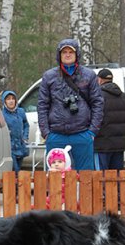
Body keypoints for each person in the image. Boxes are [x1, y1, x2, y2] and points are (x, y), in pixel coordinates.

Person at [37, 38, 104, 171]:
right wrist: (46, 133)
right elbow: (42, 105)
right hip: (56, 135)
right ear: (59, 55)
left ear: (77, 54)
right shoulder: (49, 76)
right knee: (55, 177)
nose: (67, 55)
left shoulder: (89, 75)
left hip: (82, 133)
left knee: (85, 177)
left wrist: (92, 131)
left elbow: (98, 103)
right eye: (64, 52)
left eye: (70, 52)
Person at [94, 68, 125, 171]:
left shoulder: (97, 96)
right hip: (119, 144)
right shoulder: (124, 97)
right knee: (116, 178)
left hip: (101, 144)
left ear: (99, 80)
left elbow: (93, 120)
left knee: (101, 176)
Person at [1, 89, 29, 171]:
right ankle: (14, 183)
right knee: (14, 169)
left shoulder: (21, 112)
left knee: (19, 168)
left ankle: (17, 183)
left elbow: (26, 125)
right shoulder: (2, 114)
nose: (11, 101)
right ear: (4, 101)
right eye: (8, 99)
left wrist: (25, 137)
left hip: (20, 145)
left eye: (13, 98)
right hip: (10, 147)